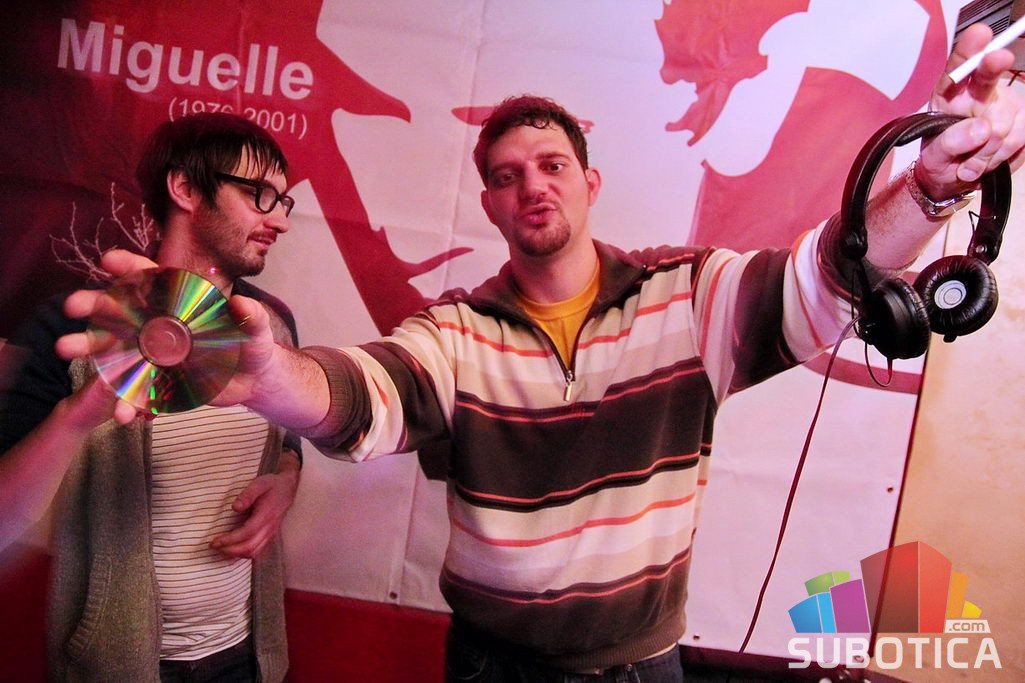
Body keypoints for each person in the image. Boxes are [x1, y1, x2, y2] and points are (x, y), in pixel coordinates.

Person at [60, 24, 1025, 682]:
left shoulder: (687, 295)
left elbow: (828, 278)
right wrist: (274, 379)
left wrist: (928, 190)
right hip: (492, 665)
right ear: (488, 203)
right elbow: (361, 393)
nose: (533, 186)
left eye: (552, 164)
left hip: (640, 665)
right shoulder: (455, 331)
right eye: (507, 174)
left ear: (589, 182)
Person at [0, 112, 302, 682]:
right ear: (185, 188)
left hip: (248, 657)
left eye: (284, 202)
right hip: (122, 665)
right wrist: (77, 416)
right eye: (259, 195)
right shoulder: (80, 327)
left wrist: (287, 480)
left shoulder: (271, 324)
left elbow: (288, 441)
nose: (281, 221)